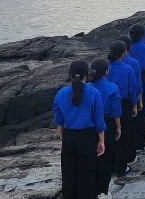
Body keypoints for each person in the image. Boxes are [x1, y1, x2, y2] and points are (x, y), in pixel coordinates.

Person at [53, 60, 106, 199]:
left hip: (69, 136)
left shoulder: (60, 93)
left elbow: (59, 121)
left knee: (69, 176)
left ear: (70, 74)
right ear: (87, 74)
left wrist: (62, 139)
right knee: (87, 176)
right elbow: (99, 121)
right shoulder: (94, 93)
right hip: (88, 137)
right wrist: (101, 141)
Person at [88, 59, 122, 197]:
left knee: (92, 158)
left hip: (90, 126)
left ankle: (92, 189)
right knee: (106, 159)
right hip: (107, 123)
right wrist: (118, 127)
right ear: (106, 72)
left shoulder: (87, 88)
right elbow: (116, 111)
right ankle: (103, 190)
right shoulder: (112, 88)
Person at [108, 40, 141, 174]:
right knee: (123, 134)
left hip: (109, 103)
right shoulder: (128, 69)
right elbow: (132, 89)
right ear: (124, 53)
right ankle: (122, 165)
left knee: (111, 134)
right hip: (124, 103)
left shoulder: (107, 67)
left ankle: (111, 163)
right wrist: (135, 104)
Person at [127, 25, 145, 151]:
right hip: (144, 79)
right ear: (143, 35)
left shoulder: (127, 48)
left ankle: (132, 139)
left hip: (128, 79)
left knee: (130, 109)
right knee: (143, 110)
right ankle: (143, 140)